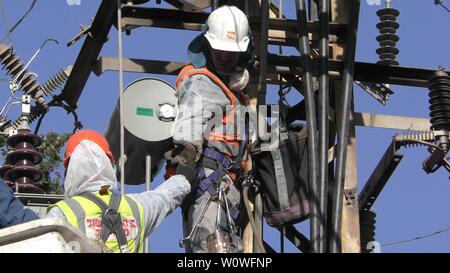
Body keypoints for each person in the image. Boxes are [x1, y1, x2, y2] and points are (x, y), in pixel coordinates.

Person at [0, 129, 197, 253]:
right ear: (109, 163)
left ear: (71, 171)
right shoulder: (137, 207)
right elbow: (166, 196)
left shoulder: (61, 214)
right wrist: (183, 176)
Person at [164, 5, 252, 253]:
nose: (225, 57)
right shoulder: (203, 81)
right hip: (211, 185)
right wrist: (186, 160)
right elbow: (190, 121)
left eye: (231, 52)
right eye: (220, 50)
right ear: (207, 46)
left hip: (226, 188)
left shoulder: (235, 96)